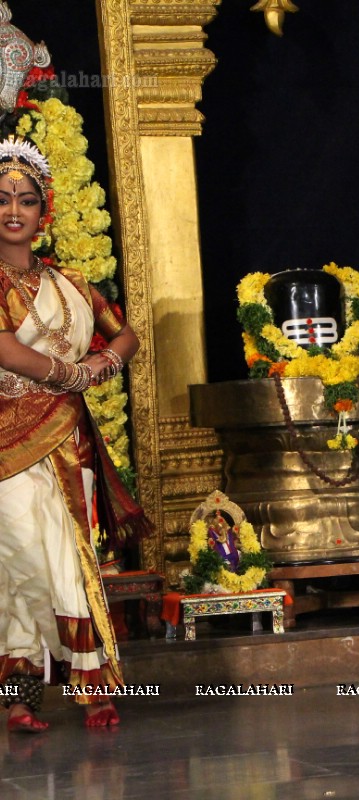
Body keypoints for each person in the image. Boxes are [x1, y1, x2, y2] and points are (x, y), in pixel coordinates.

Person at [0, 135, 145, 732]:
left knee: (68, 555)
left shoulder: (72, 285)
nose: (13, 210)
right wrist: (70, 373)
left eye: (25, 199)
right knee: (20, 558)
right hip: (7, 443)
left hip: (67, 438)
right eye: (2, 198)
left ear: (43, 211)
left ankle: (88, 683)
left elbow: (125, 333)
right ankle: (19, 689)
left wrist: (102, 364)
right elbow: (4, 349)